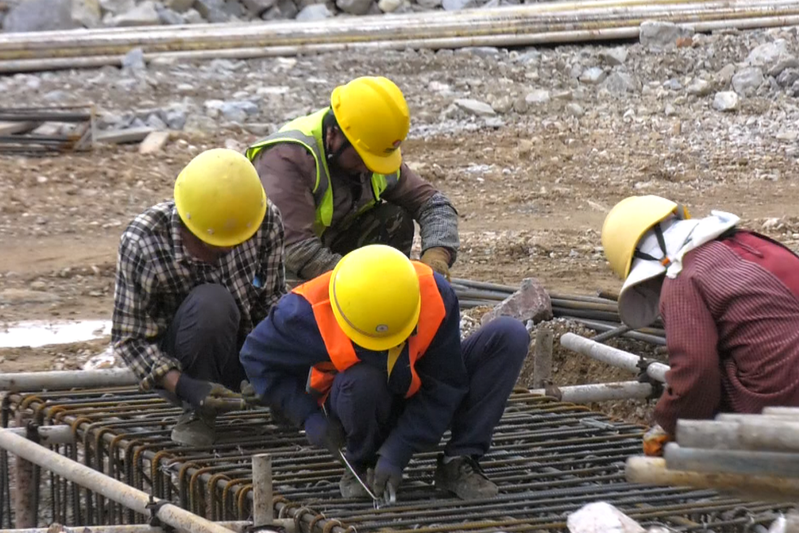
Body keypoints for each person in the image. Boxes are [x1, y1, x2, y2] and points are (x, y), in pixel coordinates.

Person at [240, 244, 529, 500]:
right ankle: (362, 463)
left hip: (416, 386)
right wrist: (308, 416)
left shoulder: (433, 294)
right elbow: (256, 359)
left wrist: (399, 450)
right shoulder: (305, 311)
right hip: (359, 400)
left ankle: (458, 460)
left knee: (509, 336)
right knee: (364, 380)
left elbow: (444, 385)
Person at [112, 148, 286, 447]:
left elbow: (270, 302)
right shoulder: (144, 242)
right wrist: (186, 386)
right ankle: (196, 413)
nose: (227, 252)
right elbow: (130, 340)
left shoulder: (260, 219)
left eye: (236, 244)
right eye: (215, 246)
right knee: (212, 302)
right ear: (186, 225)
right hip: (180, 367)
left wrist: (271, 367)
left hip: (241, 352)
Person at [601, 195, 799, 456]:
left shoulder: (683, 275)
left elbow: (697, 373)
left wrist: (667, 424)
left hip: (779, 405)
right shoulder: (752, 242)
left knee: (706, 388)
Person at [245, 75, 459, 283]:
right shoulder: (287, 158)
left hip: (326, 248)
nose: (369, 168)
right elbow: (295, 249)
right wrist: (364, 282)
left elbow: (434, 205)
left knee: (394, 219)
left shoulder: (372, 150)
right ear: (333, 135)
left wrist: (437, 256)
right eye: (362, 158)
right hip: (274, 264)